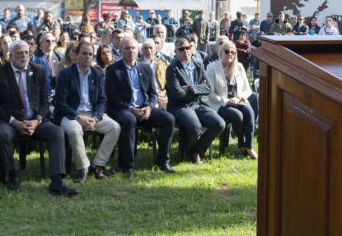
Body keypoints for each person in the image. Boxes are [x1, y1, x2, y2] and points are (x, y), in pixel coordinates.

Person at [0, 40, 77, 195]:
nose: (23, 56)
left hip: (34, 120)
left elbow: (44, 102)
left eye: (26, 52)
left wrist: (37, 120)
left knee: (57, 132)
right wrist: (14, 122)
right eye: (19, 53)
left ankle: (57, 181)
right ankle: (11, 175)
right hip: (9, 121)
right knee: (3, 134)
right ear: (11, 55)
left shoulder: (38, 71)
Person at [105, 37, 175, 176]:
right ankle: (127, 166)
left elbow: (153, 93)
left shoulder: (145, 67)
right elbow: (111, 96)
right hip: (123, 109)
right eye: (127, 48)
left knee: (169, 119)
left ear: (138, 50)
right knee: (129, 120)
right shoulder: (113, 70)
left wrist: (148, 107)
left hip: (144, 108)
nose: (130, 51)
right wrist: (131, 108)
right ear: (121, 50)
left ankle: (162, 161)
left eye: (133, 48)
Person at [54, 41, 121, 183]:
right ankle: (83, 168)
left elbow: (102, 100)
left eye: (90, 54)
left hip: (92, 114)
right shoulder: (66, 74)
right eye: (84, 53)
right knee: (74, 131)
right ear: (76, 55)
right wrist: (78, 117)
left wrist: (96, 118)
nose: (87, 57)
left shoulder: (97, 74)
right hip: (70, 114)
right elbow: (60, 102)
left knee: (114, 127)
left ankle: (98, 165)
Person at [166, 36, 225, 164]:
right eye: (181, 49)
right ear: (175, 52)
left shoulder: (198, 64)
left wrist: (190, 88)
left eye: (187, 47)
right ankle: (194, 155)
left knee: (219, 124)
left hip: (197, 104)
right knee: (195, 127)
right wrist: (198, 89)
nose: (185, 51)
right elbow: (177, 93)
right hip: (180, 106)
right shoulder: (172, 68)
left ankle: (194, 150)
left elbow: (208, 88)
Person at [206, 40, 257, 159]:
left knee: (249, 112)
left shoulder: (238, 67)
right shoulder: (212, 68)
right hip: (220, 103)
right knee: (237, 116)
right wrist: (226, 101)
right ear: (221, 52)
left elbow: (247, 89)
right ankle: (242, 142)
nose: (230, 54)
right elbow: (210, 93)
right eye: (227, 52)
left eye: (233, 52)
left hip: (238, 100)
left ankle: (248, 146)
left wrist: (241, 97)